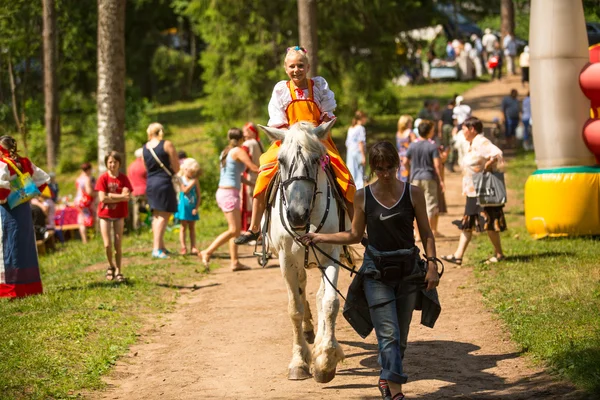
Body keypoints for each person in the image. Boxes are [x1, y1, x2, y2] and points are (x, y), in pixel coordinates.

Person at [298, 141, 440, 400]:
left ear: (397, 164)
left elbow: (427, 233)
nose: (385, 173)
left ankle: (386, 378)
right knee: (389, 335)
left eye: (389, 167)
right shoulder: (363, 196)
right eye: (379, 168)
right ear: (372, 168)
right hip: (376, 274)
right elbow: (354, 235)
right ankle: (395, 392)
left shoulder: (414, 193)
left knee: (402, 338)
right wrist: (319, 237)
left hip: (408, 271)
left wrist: (431, 265)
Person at [234, 46, 355, 245]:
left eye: (300, 65)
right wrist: (293, 135)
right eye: (292, 66)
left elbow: (327, 114)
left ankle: (357, 227)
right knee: (264, 172)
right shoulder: (281, 90)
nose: (296, 69)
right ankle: (255, 228)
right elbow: (277, 119)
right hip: (288, 140)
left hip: (317, 140)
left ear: (308, 67)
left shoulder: (319, 86)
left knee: (343, 174)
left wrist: (318, 129)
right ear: (285, 68)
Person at [442, 117, 506, 266]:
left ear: (472, 129)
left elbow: (497, 153)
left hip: (482, 190)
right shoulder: (472, 143)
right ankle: (458, 255)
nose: (462, 132)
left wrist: (488, 166)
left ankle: (499, 254)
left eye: (464, 129)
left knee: (488, 221)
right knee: (469, 222)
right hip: (473, 191)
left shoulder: (481, 141)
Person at [200, 128, 259, 271]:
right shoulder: (239, 151)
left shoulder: (225, 152)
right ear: (242, 139)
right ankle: (207, 251)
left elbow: (236, 176)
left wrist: (252, 184)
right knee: (234, 230)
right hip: (229, 194)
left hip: (225, 191)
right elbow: (253, 168)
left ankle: (235, 262)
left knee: (235, 230)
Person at [0, 135, 50, 298]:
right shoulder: (24, 162)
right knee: (26, 247)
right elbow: (43, 180)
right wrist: (26, 195)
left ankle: (12, 289)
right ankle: (31, 287)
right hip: (24, 210)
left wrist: (7, 197)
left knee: (10, 247)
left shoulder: (3, 163)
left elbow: (1, 190)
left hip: (7, 211)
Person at [143, 122, 180, 259]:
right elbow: (176, 167)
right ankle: (156, 248)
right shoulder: (166, 144)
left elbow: (146, 167)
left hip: (151, 183)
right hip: (164, 182)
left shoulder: (144, 148)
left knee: (156, 215)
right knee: (164, 215)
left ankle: (161, 247)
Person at [403, 120, 445, 238]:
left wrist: (411, 172)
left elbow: (405, 161)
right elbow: (437, 165)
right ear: (429, 132)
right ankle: (430, 231)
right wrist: (441, 180)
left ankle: (417, 234)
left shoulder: (412, 145)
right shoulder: (432, 146)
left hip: (415, 178)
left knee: (416, 206)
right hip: (429, 178)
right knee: (431, 205)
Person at [95, 151, 132, 282]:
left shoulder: (123, 178)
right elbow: (102, 198)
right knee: (107, 244)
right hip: (105, 214)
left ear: (119, 164)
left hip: (119, 214)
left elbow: (127, 197)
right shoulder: (103, 178)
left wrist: (111, 196)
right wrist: (118, 197)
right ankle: (110, 265)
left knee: (118, 243)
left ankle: (119, 270)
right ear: (106, 164)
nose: (112, 164)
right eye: (110, 162)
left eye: (115, 162)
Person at [241, 122, 264, 233]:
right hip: (260, 176)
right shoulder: (259, 143)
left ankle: (250, 230)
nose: (243, 134)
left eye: (245, 131)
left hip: (249, 176)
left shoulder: (247, 144)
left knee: (249, 205)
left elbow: (243, 162)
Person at [175, 158, 201, 255]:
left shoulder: (195, 181)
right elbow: (185, 190)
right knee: (183, 227)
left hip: (192, 207)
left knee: (192, 227)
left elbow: (199, 195)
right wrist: (193, 182)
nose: (193, 174)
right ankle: (183, 247)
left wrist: (196, 207)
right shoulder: (180, 179)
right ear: (186, 169)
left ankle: (193, 247)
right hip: (183, 208)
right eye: (191, 172)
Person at [345, 110, 368, 189]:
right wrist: (363, 156)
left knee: (352, 172)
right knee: (360, 173)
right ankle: (360, 191)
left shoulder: (351, 128)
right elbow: (360, 142)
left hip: (350, 153)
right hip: (358, 152)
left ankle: (352, 190)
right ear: (362, 118)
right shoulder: (361, 128)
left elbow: (347, 143)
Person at [74, 162, 96, 244]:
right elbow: (89, 191)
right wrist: (98, 193)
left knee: (81, 219)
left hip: (78, 200)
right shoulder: (87, 178)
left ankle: (84, 240)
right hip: (85, 201)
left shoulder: (79, 178)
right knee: (91, 217)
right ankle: (91, 237)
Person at [127, 148, 148, 230]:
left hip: (134, 191)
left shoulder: (131, 166)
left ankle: (136, 228)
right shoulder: (144, 165)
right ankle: (147, 226)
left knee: (136, 211)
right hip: (144, 190)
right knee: (147, 210)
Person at [396, 115, 416, 182]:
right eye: (410, 122)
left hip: (400, 158)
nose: (411, 124)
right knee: (409, 178)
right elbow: (415, 145)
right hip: (408, 158)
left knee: (401, 179)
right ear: (406, 123)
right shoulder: (410, 132)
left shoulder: (398, 133)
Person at [439, 99, 456, 171]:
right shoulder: (454, 111)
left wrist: (439, 132)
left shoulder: (444, 111)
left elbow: (440, 121)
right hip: (451, 128)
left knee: (445, 145)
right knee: (451, 145)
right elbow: (455, 121)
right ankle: (450, 162)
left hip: (444, 127)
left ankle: (444, 160)